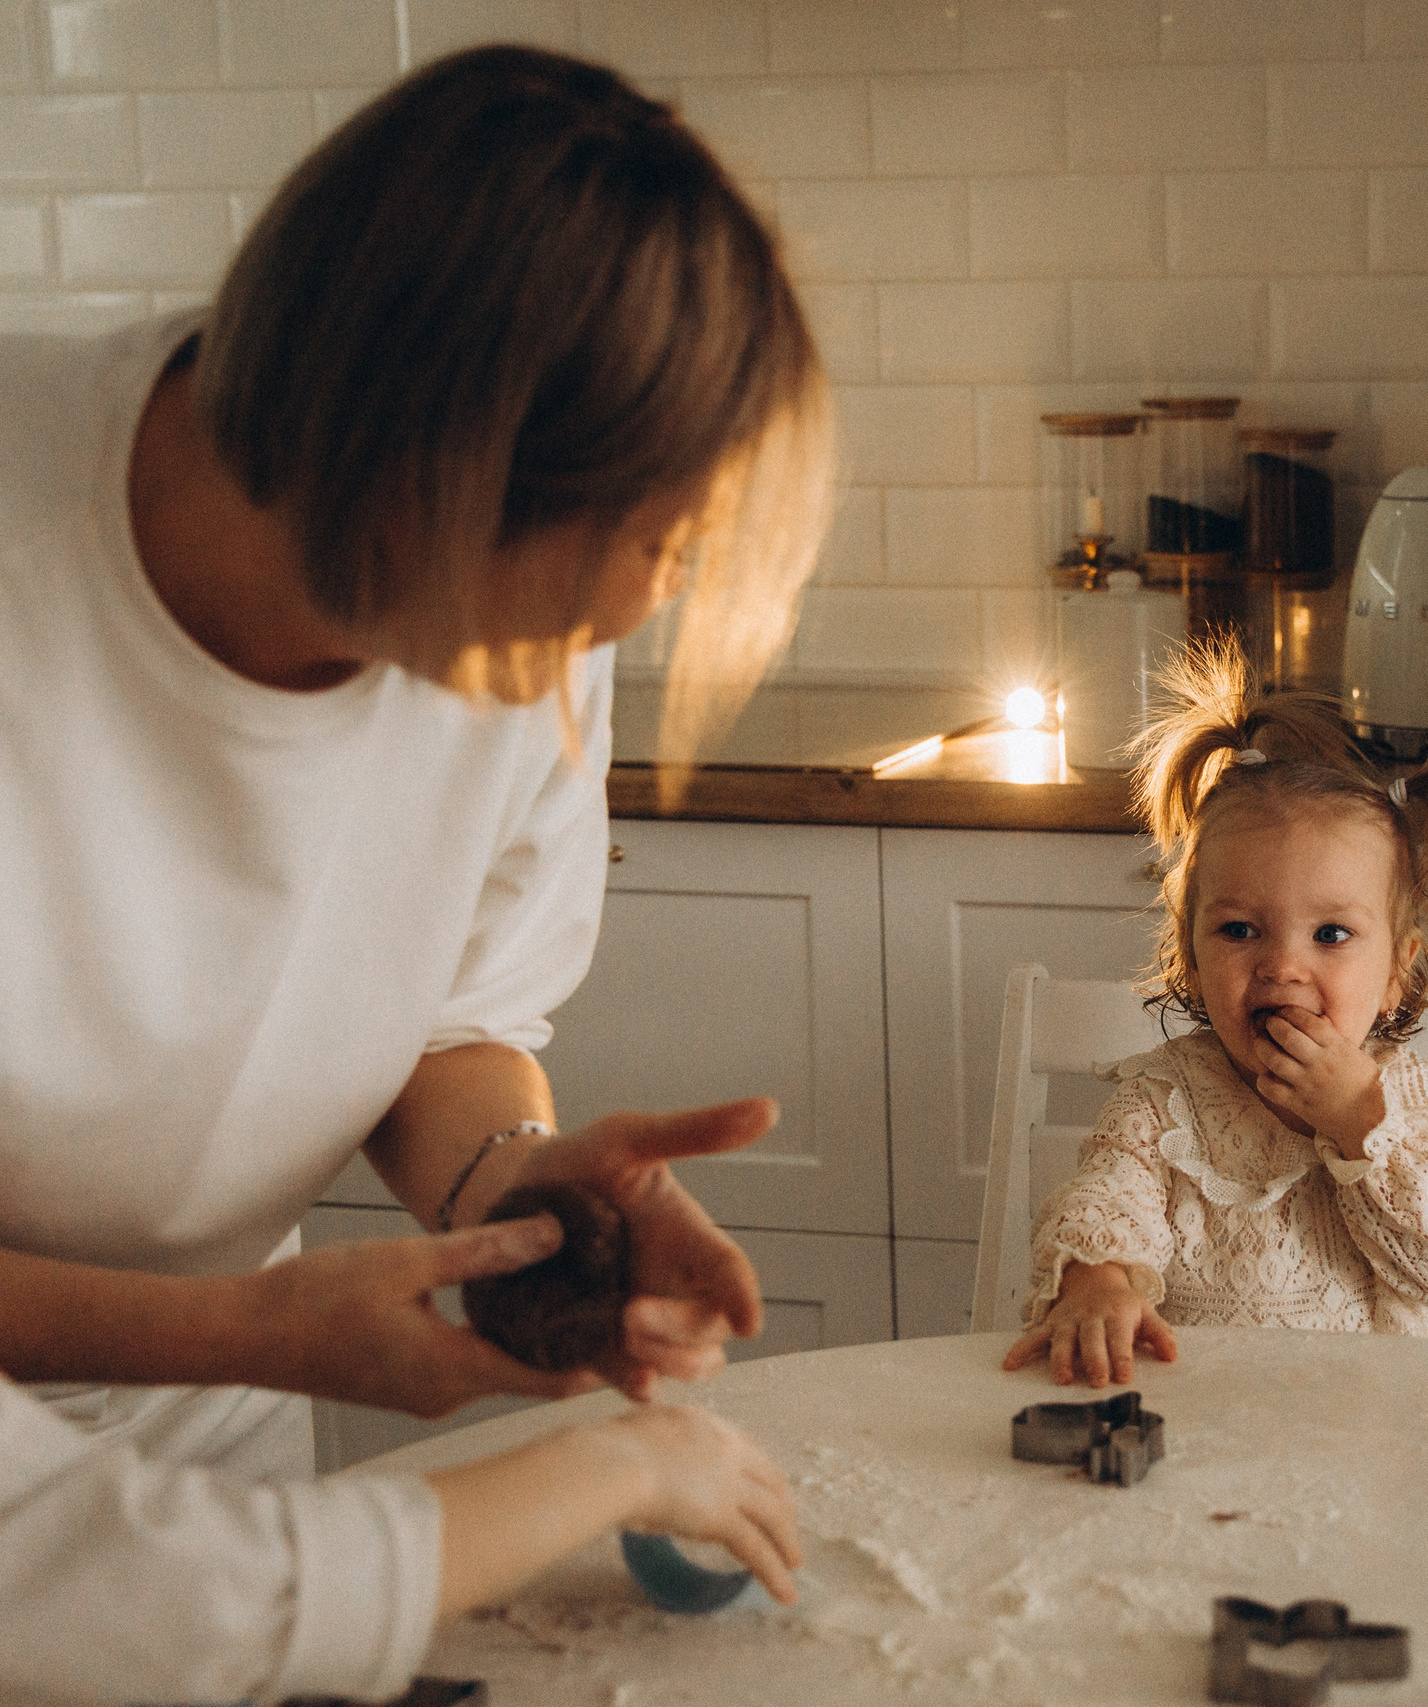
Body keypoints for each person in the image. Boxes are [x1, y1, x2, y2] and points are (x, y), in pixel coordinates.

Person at [0, 42, 832, 1704]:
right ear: (442, 465)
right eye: (651, 544)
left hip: (214, 1473)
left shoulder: (510, 604)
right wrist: (248, 1324)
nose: (638, 614)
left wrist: (517, 1202)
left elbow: (448, 1011)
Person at [1003, 641, 1428, 1388]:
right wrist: (1099, 1281)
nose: (1283, 966)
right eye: (1240, 930)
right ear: (1188, 952)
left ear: (1395, 972)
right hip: (1202, 1424)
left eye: (1331, 934)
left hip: (1376, 1433)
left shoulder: (1410, 1106)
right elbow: (1107, 1197)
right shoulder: (1166, 1102)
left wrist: (1360, 1122)